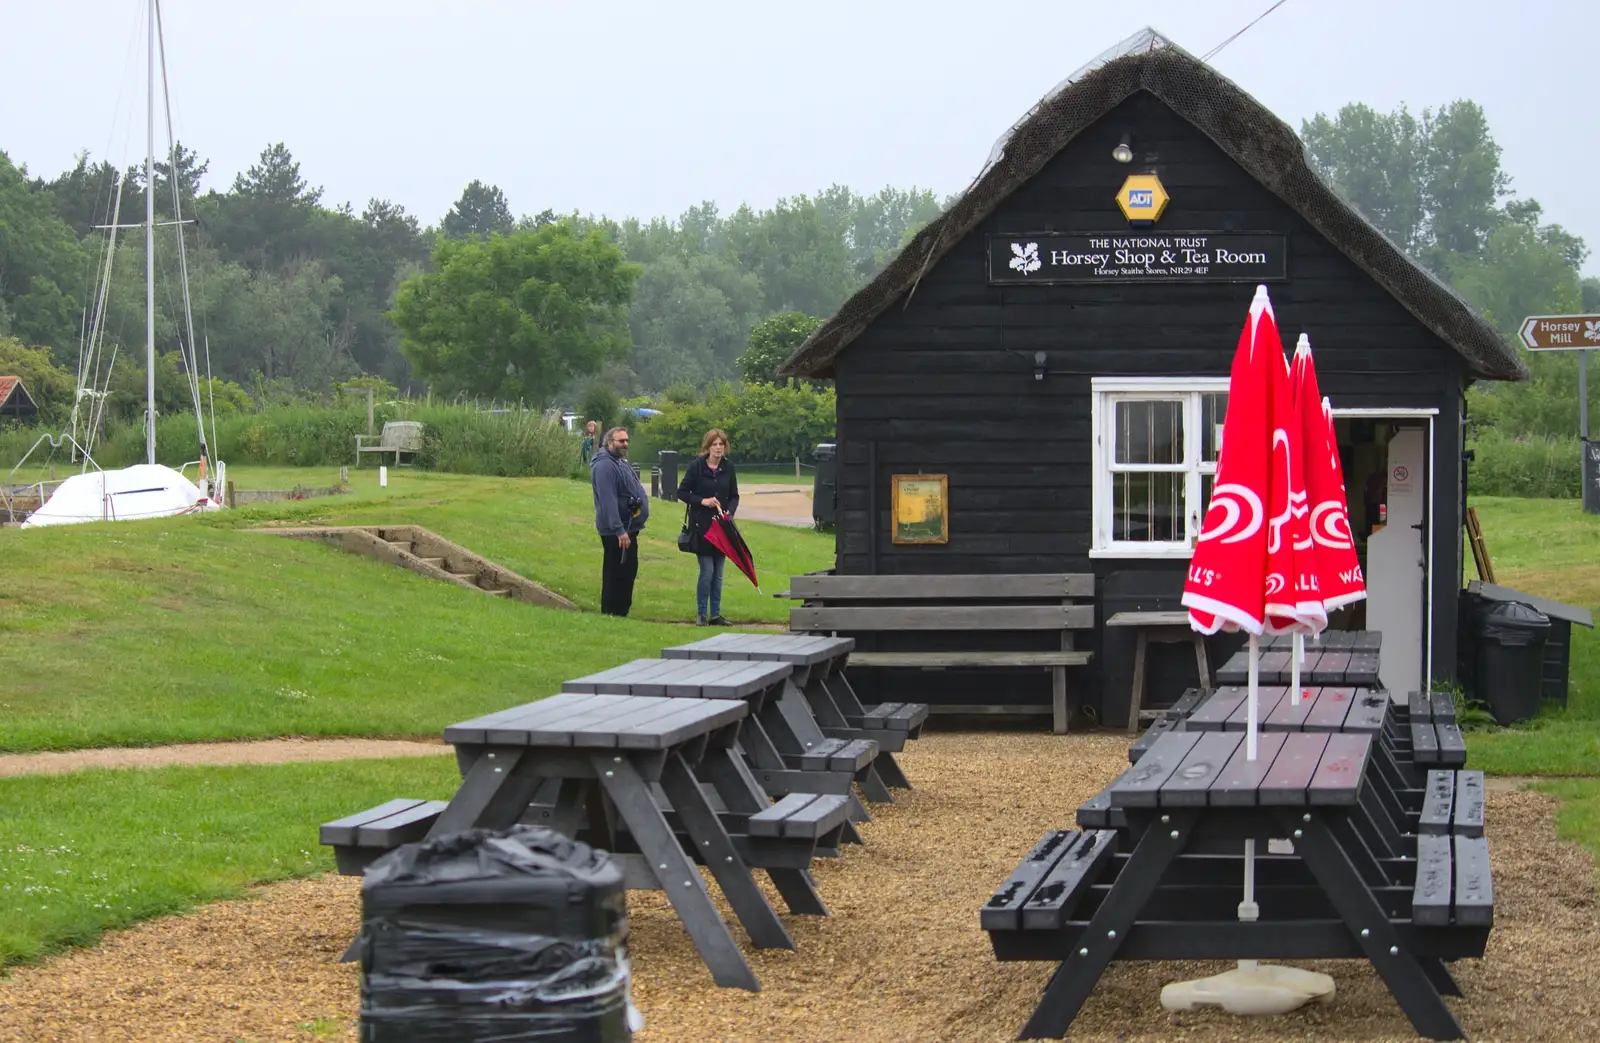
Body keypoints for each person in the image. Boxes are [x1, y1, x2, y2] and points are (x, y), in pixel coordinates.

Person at [676, 428, 740, 626]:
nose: (718, 448)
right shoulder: (697, 467)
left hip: (722, 527)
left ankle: (716, 614)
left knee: (718, 573)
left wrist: (729, 512)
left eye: (721, 444)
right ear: (708, 446)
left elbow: (734, 496)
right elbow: (682, 492)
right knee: (707, 572)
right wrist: (703, 501)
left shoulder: (728, 468)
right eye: (714, 444)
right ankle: (702, 614)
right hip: (702, 527)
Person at [591, 426, 649, 617]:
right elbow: (608, 501)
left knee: (628, 571)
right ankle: (611, 612)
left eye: (626, 440)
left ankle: (622, 612)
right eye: (620, 441)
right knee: (615, 572)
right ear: (609, 443)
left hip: (630, 527)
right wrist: (619, 530)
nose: (625, 444)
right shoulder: (604, 466)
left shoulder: (620, 462)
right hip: (616, 531)